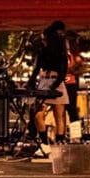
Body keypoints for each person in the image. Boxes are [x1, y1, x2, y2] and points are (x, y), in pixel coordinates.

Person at [27, 21, 69, 151]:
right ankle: (44, 143)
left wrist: (54, 85)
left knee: (59, 115)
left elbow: (63, 72)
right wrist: (31, 83)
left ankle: (59, 141)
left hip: (55, 81)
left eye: (44, 39)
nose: (43, 41)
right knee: (38, 113)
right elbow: (36, 69)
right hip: (45, 80)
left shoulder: (61, 51)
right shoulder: (43, 51)